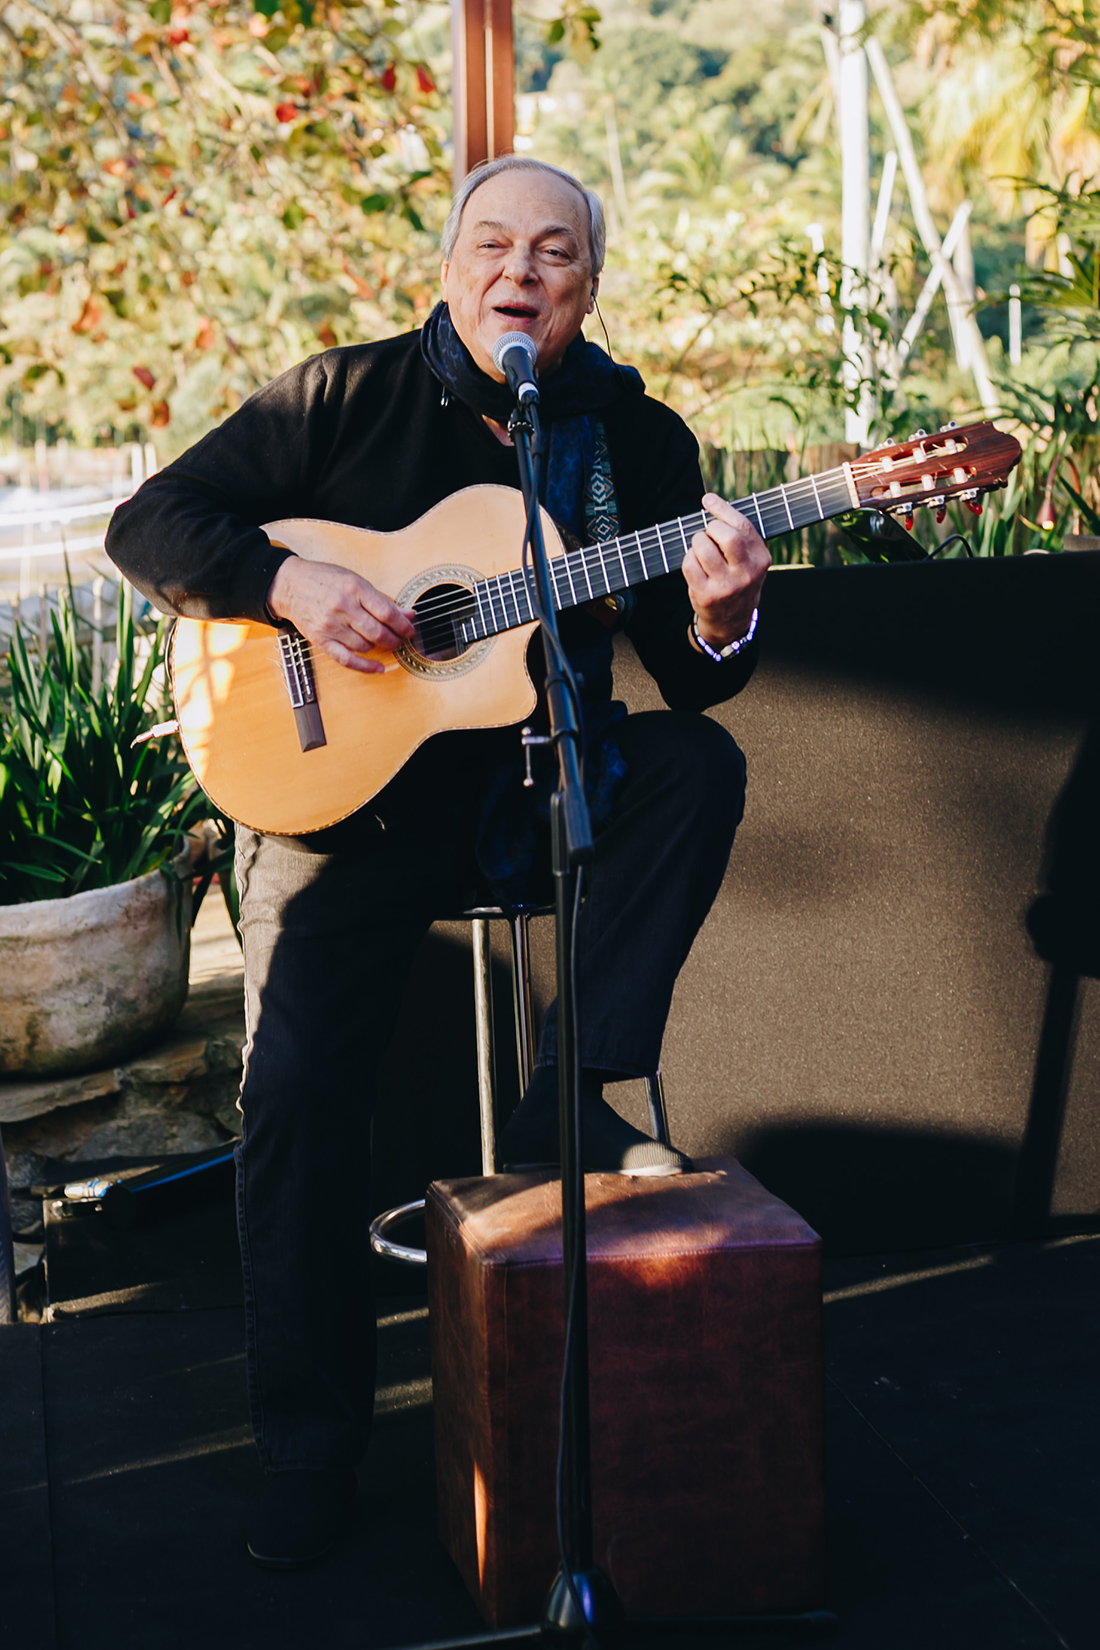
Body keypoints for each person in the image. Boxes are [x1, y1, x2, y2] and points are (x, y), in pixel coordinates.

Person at [106, 156, 770, 1570]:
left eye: (555, 253)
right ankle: (307, 1443)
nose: (520, 270)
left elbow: (688, 680)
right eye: (494, 244)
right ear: (452, 261)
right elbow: (147, 525)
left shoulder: (628, 442)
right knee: (293, 1101)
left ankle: (563, 1097)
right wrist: (292, 583)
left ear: (589, 288)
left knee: (698, 769)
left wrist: (719, 619)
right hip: (343, 815)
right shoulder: (341, 396)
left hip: (538, 791)